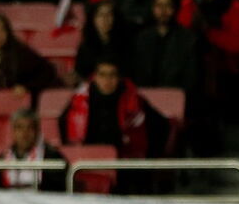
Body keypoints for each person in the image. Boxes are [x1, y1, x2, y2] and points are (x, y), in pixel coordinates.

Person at [60, 58, 168, 192]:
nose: (107, 80)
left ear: (119, 78)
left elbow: (161, 126)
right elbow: (63, 128)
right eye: (102, 75)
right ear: (94, 77)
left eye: (112, 75)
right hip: (86, 163)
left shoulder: (135, 101)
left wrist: (151, 156)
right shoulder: (77, 102)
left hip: (125, 166)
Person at [0, 13, 59, 99]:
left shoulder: (21, 53)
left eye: (2, 30)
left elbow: (47, 71)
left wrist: (26, 87)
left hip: (16, 105)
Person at [0, 108, 66, 191]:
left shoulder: (52, 156)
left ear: (37, 131)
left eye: (30, 127)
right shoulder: (2, 158)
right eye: (19, 128)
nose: (25, 133)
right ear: (13, 131)